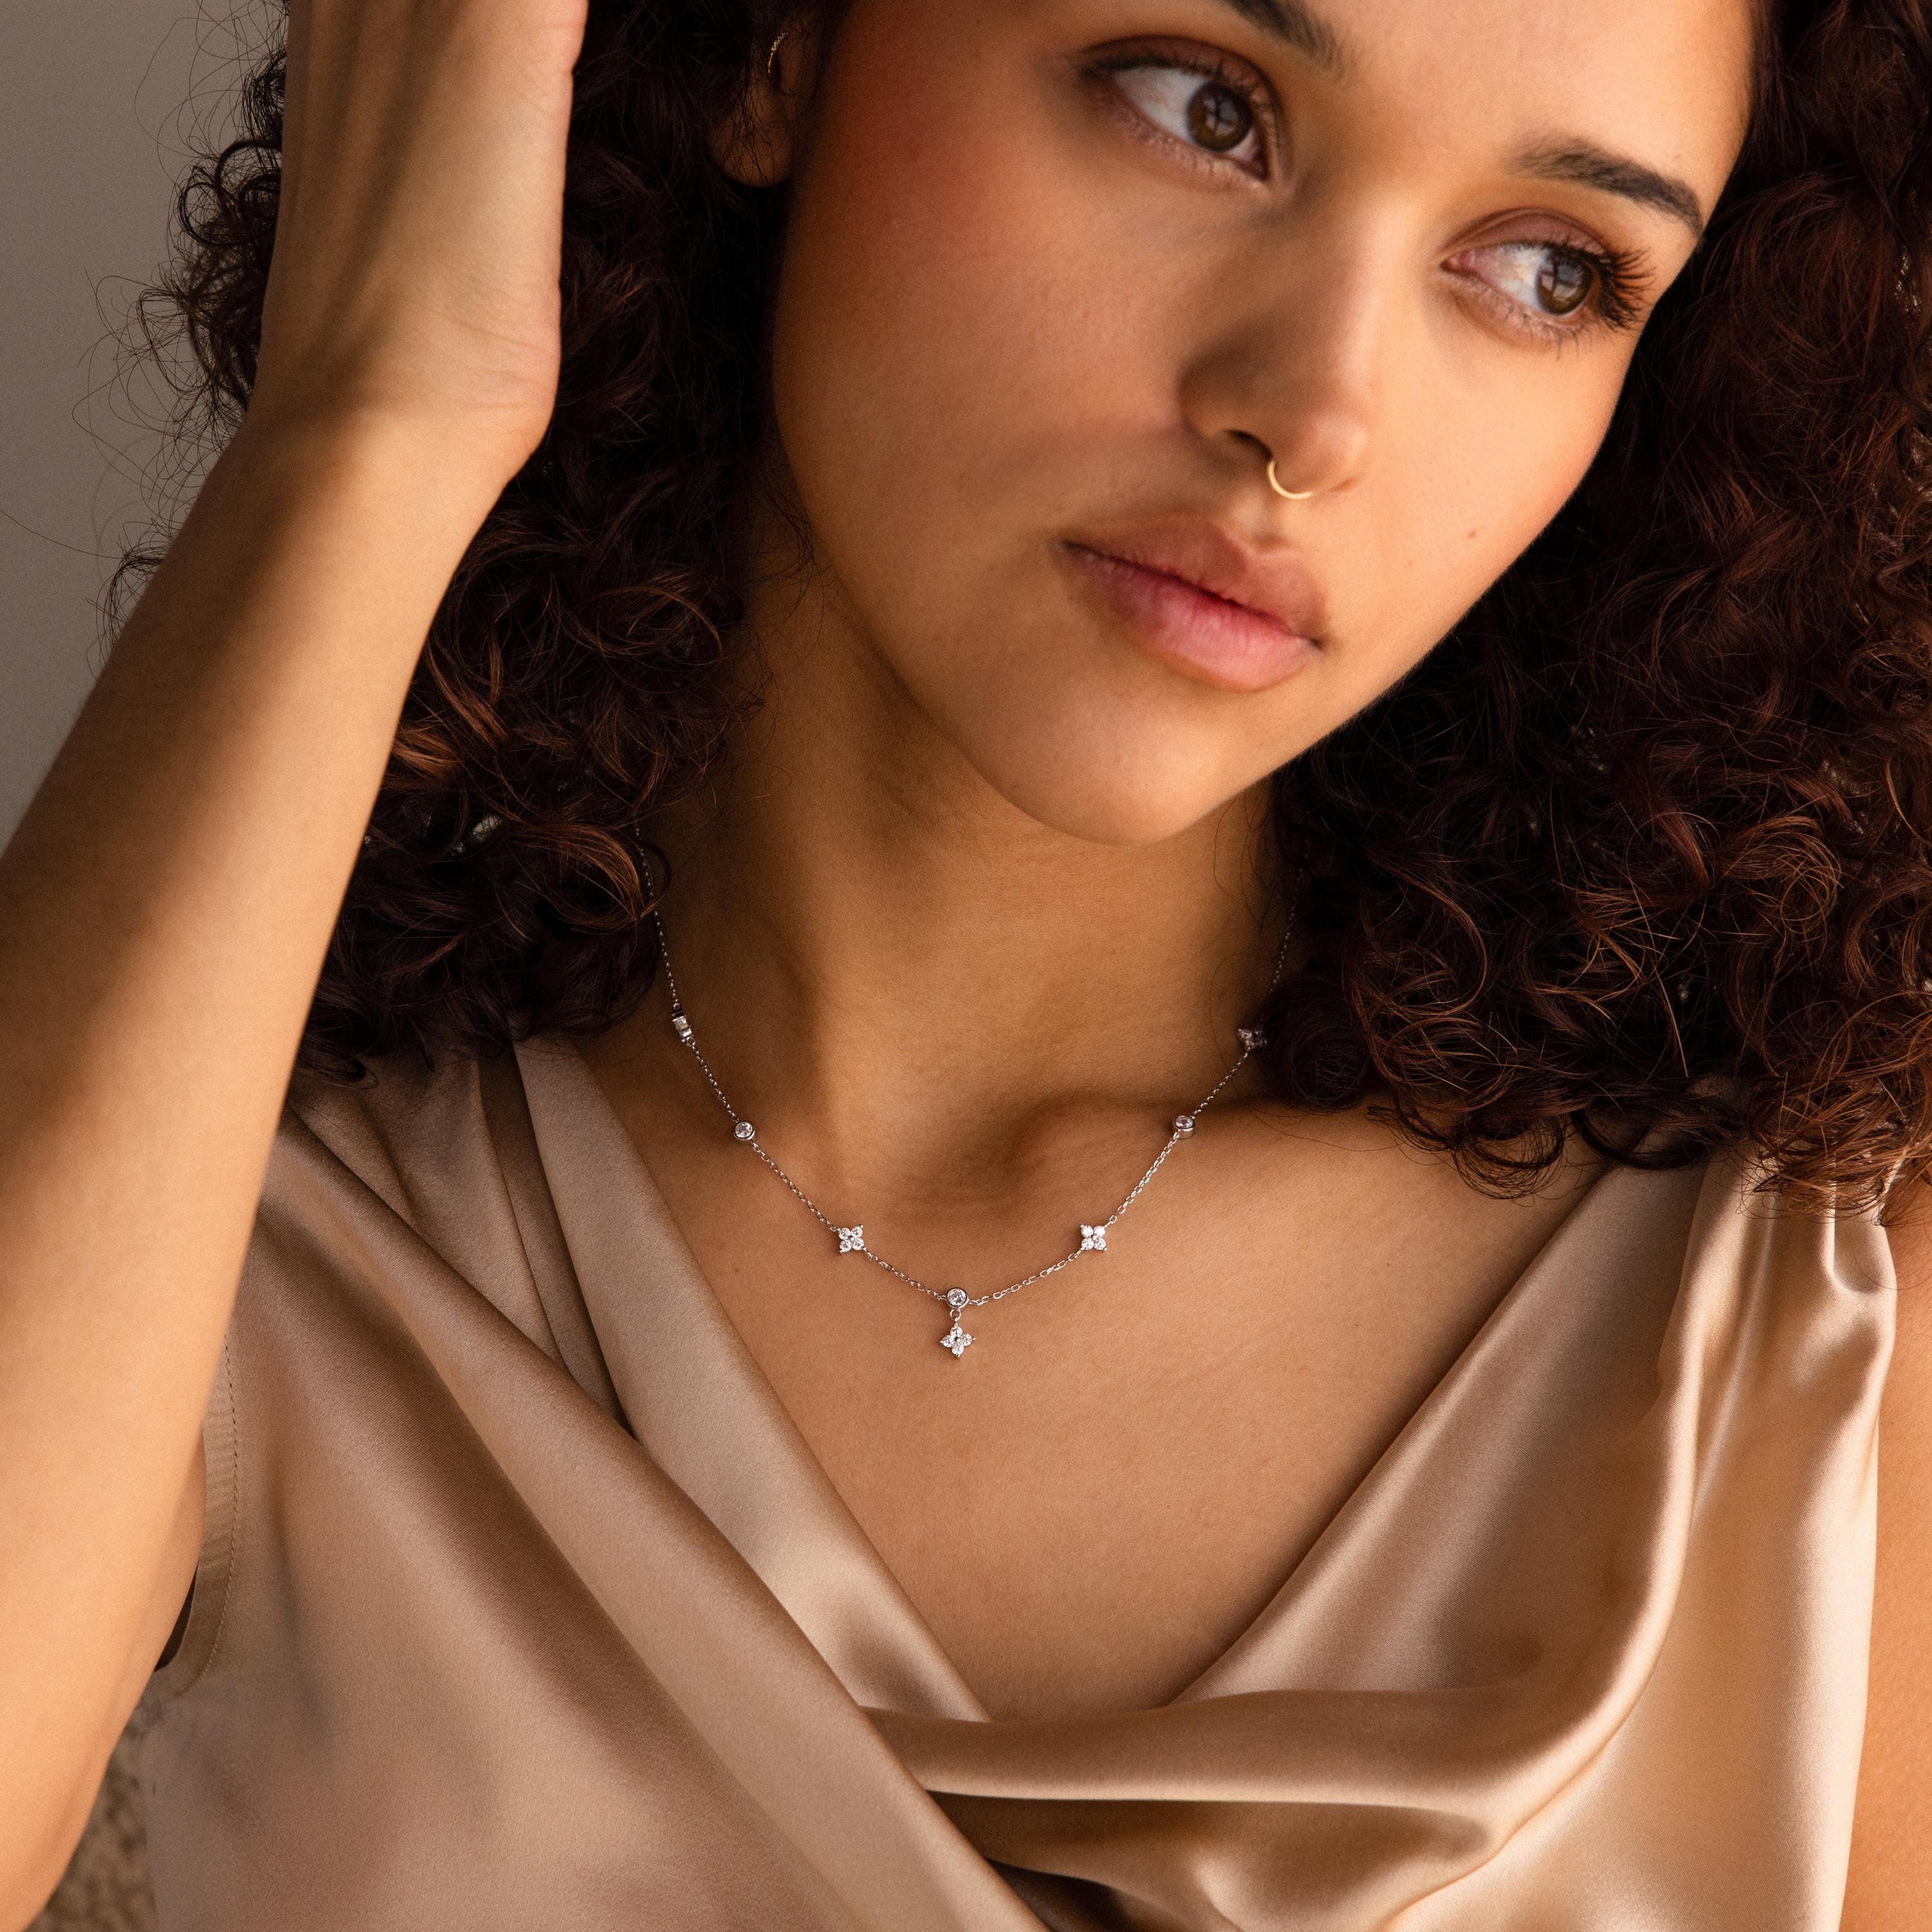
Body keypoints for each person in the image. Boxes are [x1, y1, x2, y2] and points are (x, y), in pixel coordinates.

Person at [4, 0, 1930, 1924]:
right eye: (1204, 109)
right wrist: (374, 411)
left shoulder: (1828, 1345)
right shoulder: (221, 1270)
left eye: (1549, 270)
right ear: (771, 47)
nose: (1316, 414)